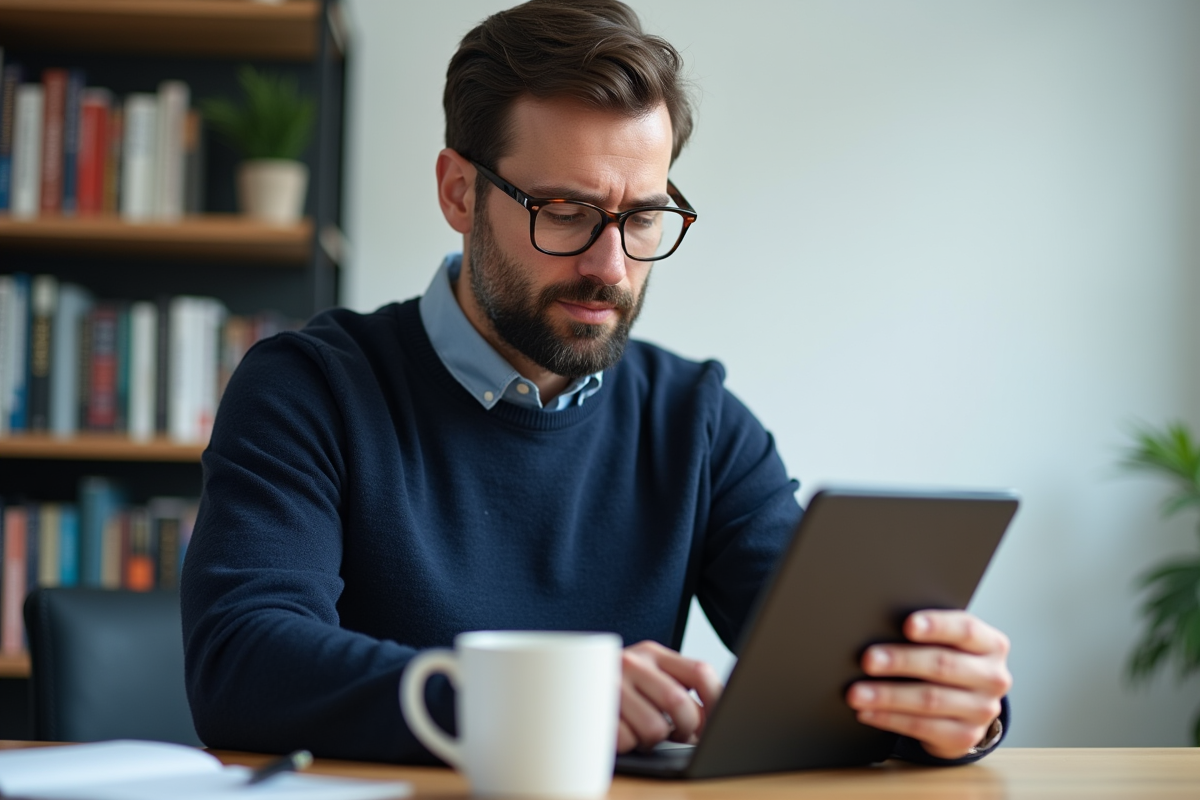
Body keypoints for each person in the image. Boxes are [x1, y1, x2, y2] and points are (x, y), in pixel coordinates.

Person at [181, 0, 1011, 766]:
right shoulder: (309, 389)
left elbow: (830, 667)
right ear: (460, 191)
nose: (610, 266)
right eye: (567, 212)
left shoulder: (701, 423)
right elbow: (243, 662)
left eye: (643, 216)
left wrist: (948, 705)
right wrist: (527, 700)